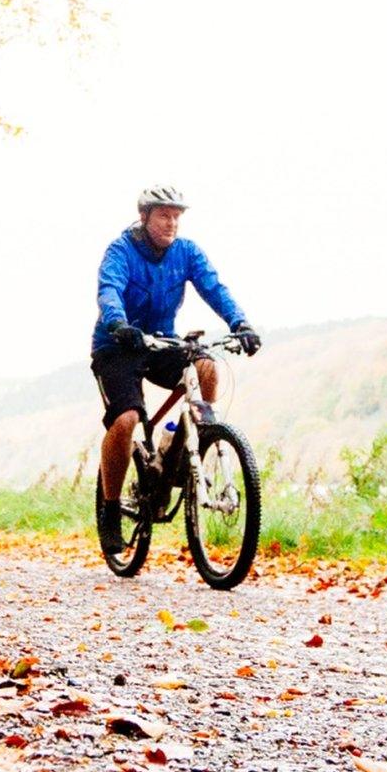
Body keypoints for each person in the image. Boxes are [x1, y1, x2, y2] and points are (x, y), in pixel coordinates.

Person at [92, 185, 261, 541]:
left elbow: (214, 288)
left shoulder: (186, 252)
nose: (171, 223)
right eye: (164, 216)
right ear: (144, 216)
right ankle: (109, 510)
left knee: (207, 368)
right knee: (126, 419)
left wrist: (240, 323)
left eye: (176, 217)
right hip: (118, 345)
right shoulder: (121, 250)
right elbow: (109, 290)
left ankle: (182, 450)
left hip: (162, 341)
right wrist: (118, 324)